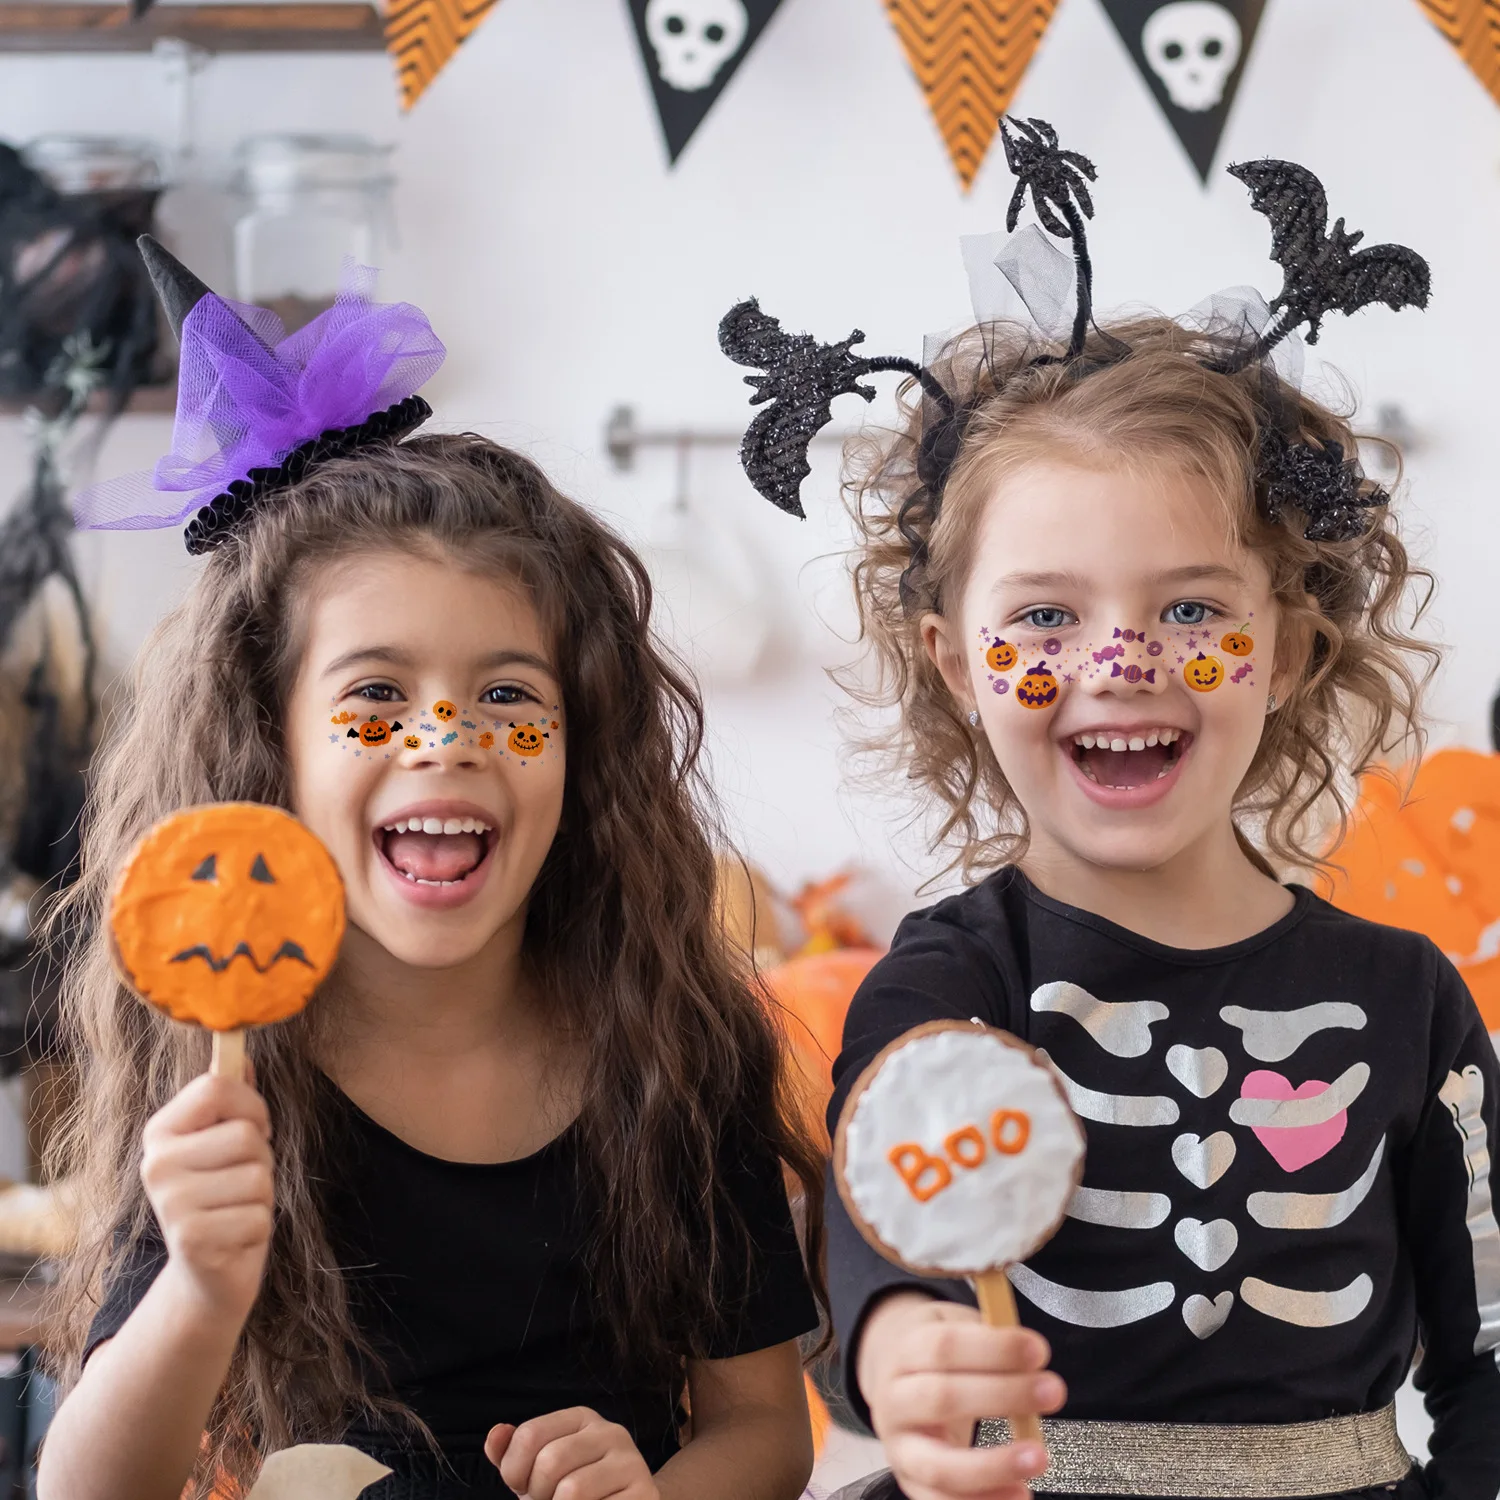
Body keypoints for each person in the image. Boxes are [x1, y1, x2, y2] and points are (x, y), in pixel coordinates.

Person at [718, 120, 1499, 1500]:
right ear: (955, 665)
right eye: (1045, 618)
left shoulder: (1408, 998)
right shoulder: (951, 982)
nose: (1120, 663)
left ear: (1290, 649)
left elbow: (1487, 1339)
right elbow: (883, 1222)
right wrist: (902, 1347)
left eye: (1191, 609)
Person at [37, 241, 825, 1500]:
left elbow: (767, 1435)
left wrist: (655, 1492)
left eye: (508, 696)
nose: (445, 739)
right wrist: (199, 1290)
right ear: (272, 746)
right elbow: (88, 1487)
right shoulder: (232, 1077)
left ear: (583, 746)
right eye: (375, 697)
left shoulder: (676, 1049)